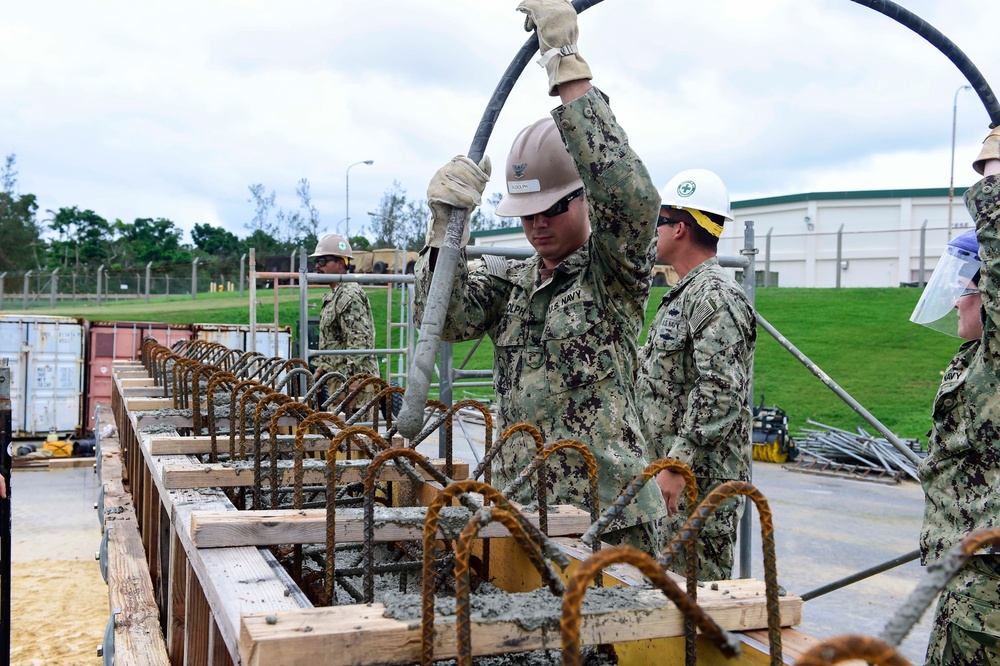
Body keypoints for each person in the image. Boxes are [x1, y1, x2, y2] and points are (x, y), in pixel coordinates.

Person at [412, 0, 667, 553]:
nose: (538, 225)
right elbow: (444, 318)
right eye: (527, 214)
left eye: (552, 209)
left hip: (608, 522)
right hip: (520, 512)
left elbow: (632, 197)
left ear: (585, 199)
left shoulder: (611, 275)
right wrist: (439, 234)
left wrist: (566, 67)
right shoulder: (511, 284)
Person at [634, 168, 756, 581]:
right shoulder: (686, 294)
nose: (653, 234)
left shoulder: (715, 297)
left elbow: (720, 393)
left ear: (680, 228)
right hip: (676, 479)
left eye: (659, 223)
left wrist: (676, 465)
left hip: (697, 483)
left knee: (694, 604)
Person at [909, 126, 1000, 666]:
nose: (956, 301)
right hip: (967, 582)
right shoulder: (973, 357)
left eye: (965, 285)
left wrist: (993, 171)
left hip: (988, 597)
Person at [309, 233, 380, 411]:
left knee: (358, 436)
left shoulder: (349, 294)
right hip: (339, 383)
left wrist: (352, 381)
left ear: (341, 264)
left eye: (323, 261)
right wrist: (320, 373)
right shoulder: (334, 295)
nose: (318, 266)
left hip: (354, 388)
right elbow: (333, 342)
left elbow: (360, 340)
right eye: (317, 261)